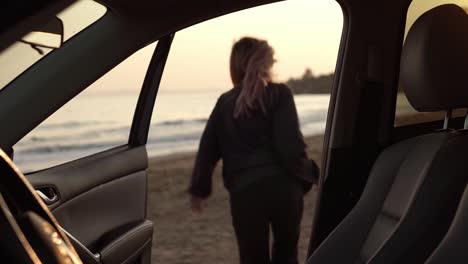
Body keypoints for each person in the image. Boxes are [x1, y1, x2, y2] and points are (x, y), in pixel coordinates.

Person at [188, 37, 318, 264]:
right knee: (286, 255)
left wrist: (199, 189)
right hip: (284, 190)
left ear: (234, 65)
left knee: (251, 259)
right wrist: (308, 174)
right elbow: (290, 148)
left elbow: (208, 149)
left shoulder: (224, 102)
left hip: (245, 194)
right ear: (265, 64)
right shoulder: (280, 94)